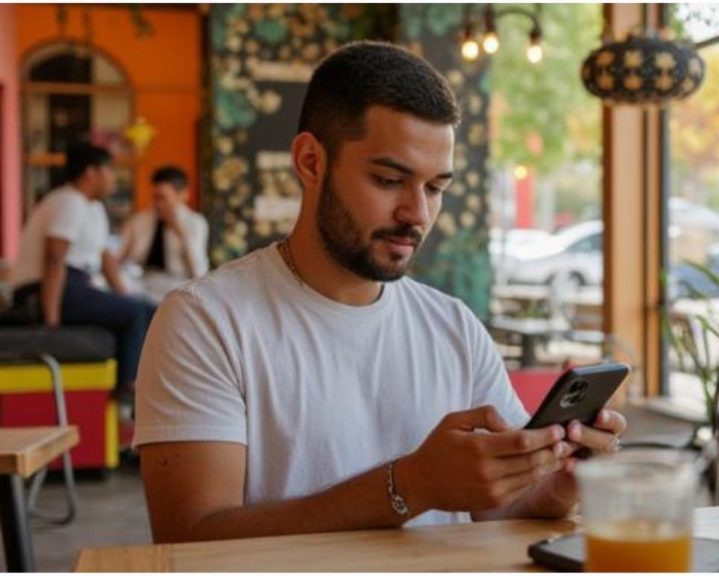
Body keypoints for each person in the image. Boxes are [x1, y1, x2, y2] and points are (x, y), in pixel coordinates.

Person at [134, 41, 627, 544]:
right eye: (390, 179)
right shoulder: (205, 321)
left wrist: (559, 485)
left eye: (435, 188)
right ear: (310, 162)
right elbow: (189, 539)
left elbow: (501, 510)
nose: (417, 213)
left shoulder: (453, 326)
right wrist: (411, 485)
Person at [11, 143, 157, 403]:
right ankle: (128, 392)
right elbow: (54, 259)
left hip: (76, 285)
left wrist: (127, 296)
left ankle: (140, 386)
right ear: (92, 172)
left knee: (146, 310)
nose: (114, 178)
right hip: (44, 288)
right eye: (110, 171)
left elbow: (106, 260)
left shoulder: (94, 208)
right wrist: (51, 319)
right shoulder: (68, 201)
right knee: (133, 313)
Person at [119, 166, 209, 300]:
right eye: (154, 197)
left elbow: (199, 272)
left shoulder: (195, 223)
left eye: (163, 198)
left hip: (178, 286)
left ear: (183, 195)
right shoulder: (140, 220)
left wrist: (182, 234)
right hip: (142, 283)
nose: (158, 204)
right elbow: (122, 258)